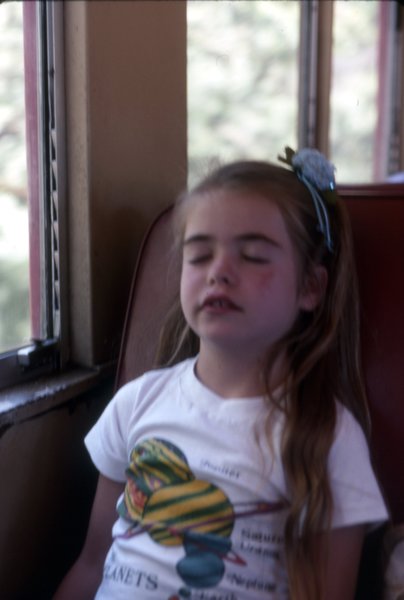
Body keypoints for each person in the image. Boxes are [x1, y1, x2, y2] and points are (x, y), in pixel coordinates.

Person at [54, 148, 388, 600]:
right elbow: (92, 563)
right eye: (199, 256)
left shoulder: (327, 436)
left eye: (252, 256)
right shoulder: (138, 402)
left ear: (310, 287)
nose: (219, 272)